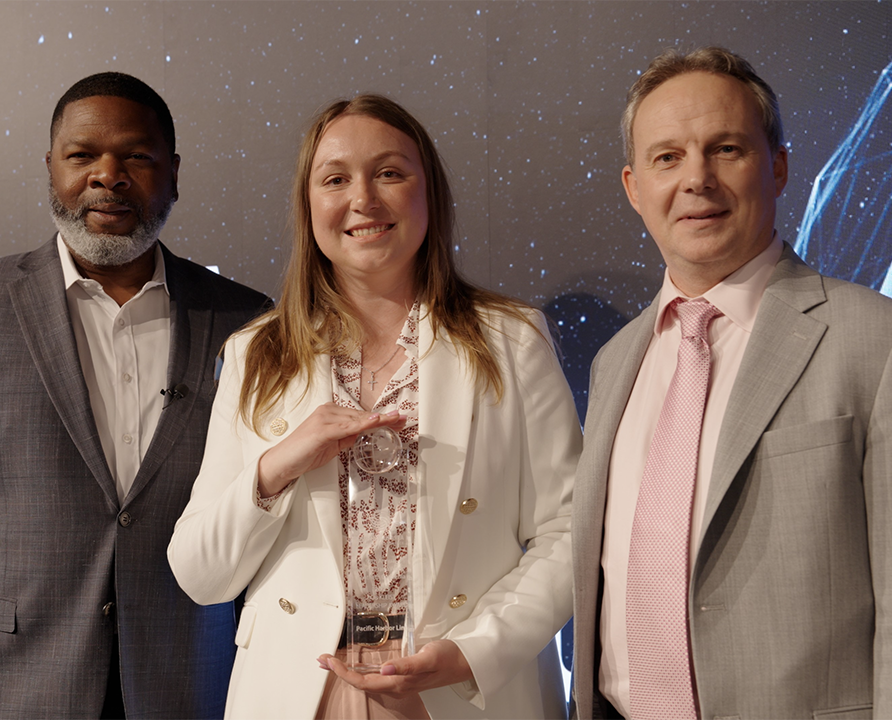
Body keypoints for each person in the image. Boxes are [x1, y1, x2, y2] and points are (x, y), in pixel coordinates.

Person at [570, 47, 892, 719]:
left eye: (726, 149)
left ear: (780, 166)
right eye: (667, 157)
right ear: (633, 187)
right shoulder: (615, 361)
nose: (696, 179)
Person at [0, 72, 269, 718]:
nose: (109, 175)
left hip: (192, 688)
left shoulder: (247, 321)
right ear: (51, 170)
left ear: (174, 173)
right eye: (82, 156)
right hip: (7, 691)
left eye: (137, 156)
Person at [166, 94, 582, 719]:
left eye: (390, 172)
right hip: (303, 692)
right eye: (335, 179)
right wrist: (277, 468)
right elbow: (199, 573)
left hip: (465, 691)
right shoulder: (258, 354)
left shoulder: (511, 338)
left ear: (429, 193)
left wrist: (474, 652)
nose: (363, 199)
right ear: (308, 208)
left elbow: (570, 529)